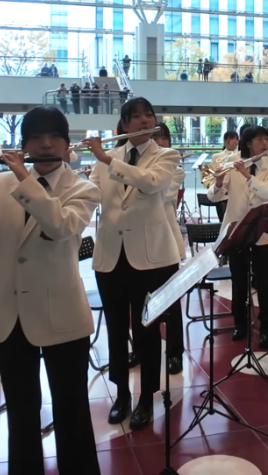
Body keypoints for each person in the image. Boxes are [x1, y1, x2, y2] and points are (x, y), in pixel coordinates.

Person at [0, 107, 101, 475]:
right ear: (24, 142)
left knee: (71, 408)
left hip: (61, 312)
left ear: (65, 145)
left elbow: (61, 226)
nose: (45, 143)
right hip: (7, 314)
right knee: (20, 408)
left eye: (54, 137)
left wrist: (21, 177)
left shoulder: (83, 187)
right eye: (36, 137)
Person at [87, 98, 183, 430]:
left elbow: (151, 182)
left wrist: (103, 158)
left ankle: (146, 398)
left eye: (149, 116)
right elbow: (91, 196)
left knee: (146, 331)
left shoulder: (165, 155)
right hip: (111, 257)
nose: (144, 121)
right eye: (136, 117)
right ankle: (122, 395)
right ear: (124, 125)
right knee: (115, 330)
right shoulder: (107, 159)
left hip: (150, 259)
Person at [209, 126, 268, 348]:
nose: (265, 143)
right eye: (260, 140)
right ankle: (240, 324)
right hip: (237, 232)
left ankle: (266, 327)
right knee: (239, 282)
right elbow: (214, 196)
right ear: (248, 143)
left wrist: (247, 176)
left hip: (262, 233)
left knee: (265, 282)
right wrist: (219, 181)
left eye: (266, 140)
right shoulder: (232, 160)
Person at [151, 124, 187, 374]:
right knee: (141, 304)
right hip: (137, 242)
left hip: (165, 240)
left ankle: (175, 352)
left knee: (171, 303)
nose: (162, 143)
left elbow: (162, 196)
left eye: (165, 138)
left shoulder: (176, 169)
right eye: (157, 138)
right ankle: (143, 351)